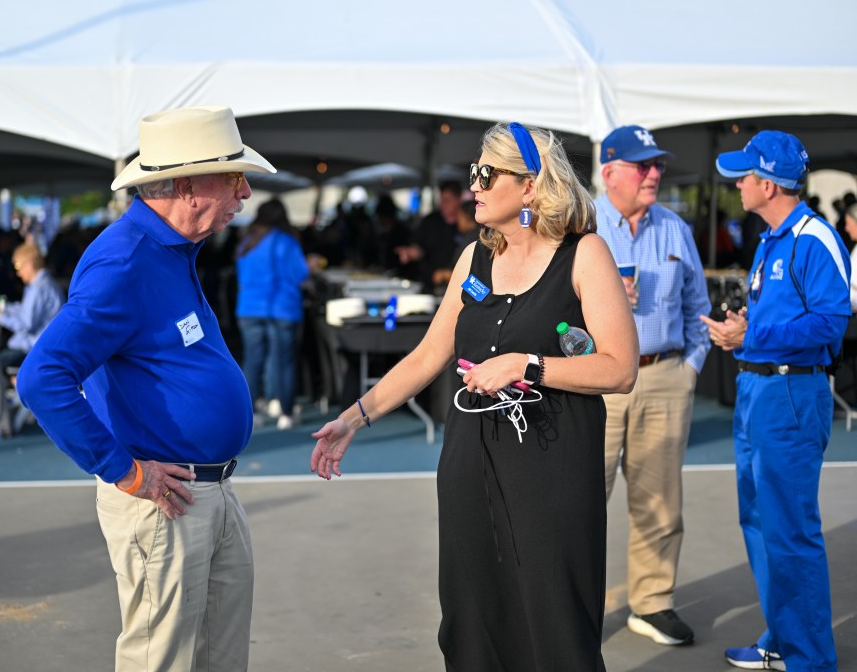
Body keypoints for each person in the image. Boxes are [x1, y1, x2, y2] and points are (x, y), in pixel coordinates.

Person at [310, 121, 638, 670]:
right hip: (470, 465)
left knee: (554, 616)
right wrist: (353, 419)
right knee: (473, 615)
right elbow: (426, 356)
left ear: (529, 186)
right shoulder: (473, 259)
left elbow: (620, 369)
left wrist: (527, 365)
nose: (473, 186)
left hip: (551, 469)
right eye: (473, 173)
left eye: (487, 174)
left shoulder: (585, 254)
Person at [17, 105, 275, 672]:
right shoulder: (126, 261)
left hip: (205, 491)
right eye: (234, 176)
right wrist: (126, 471)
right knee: (162, 660)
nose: (245, 192)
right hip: (168, 500)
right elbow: (41, 377)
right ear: (186, 186)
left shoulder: (169, 249)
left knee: (217, 658)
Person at [702, 130, 848, 671]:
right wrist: (745, 328)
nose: (737, 185)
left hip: (789, 392)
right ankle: (786, 639)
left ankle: (809, 658)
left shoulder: (813, 237)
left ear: (768, 184)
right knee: (762, 522)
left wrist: (752, 335)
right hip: (761, 388)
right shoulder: (773, 238)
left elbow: (831, 322)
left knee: (788, 528)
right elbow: (790, 317)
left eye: (744, 176)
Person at [594, 124, 711, 646]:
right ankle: (573, 608)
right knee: (579, 501)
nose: (654, 173)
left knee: (660, 503)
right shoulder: (580, 224)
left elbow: (698, 309)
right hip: (596, 378)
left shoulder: (674, 228)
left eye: (658, 164)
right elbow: (549, 310)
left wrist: (687, 371)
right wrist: (599, 298)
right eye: (642, 165)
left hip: (664, 375)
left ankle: (652, 603)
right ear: (609, 172)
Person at [234, 197, 310, 430]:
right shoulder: (286, 241)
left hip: (249, 308)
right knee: (283, 361)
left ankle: (251, 412)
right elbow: (300, 274)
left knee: (252, 360)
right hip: (282, 308)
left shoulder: (247, 241)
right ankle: (285, 413)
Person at [0, 242, 65, 371]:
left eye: (18, 266)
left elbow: (25, 325)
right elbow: (24, 311)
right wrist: (2, 307)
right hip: (40, 346)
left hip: (35, 349)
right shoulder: (41, 284)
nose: (18, 273)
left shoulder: (39, 288)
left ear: (30, 265)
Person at [395, 179, 463, 291]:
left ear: (458, 200)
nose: (443, 205)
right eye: (441, 200)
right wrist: (412, 252)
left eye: (447, 200)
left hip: (459, 286)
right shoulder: (430, 221)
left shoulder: (467, 224)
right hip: (429, 284)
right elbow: (419, 247)